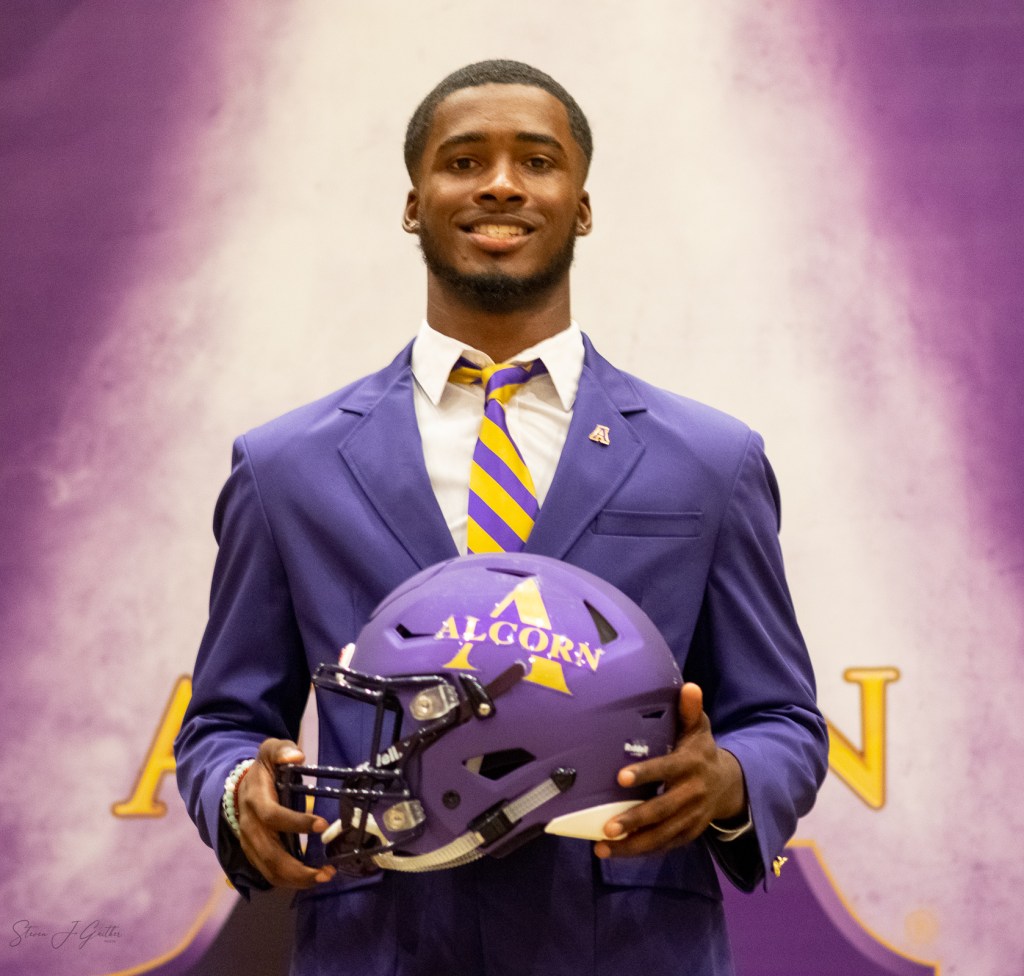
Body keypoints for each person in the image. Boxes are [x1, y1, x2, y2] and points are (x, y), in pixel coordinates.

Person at [175, 59, 829, 976]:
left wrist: (728, 782)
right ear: (414, 204)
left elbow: (782, 719)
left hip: (632, 948)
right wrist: (235, 792)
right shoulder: (285, 467)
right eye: (463, 161)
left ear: (582, 206)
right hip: (380, 944)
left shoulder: (712, 460)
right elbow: (221, 724)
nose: (500, 185)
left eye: (537, 161)